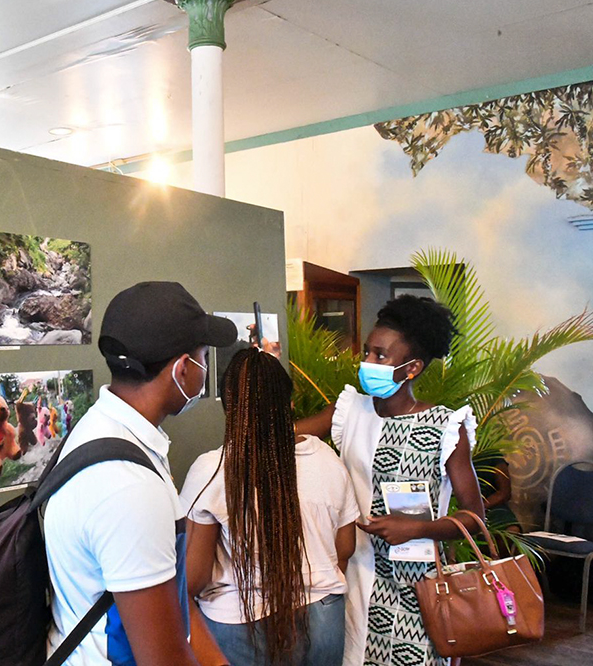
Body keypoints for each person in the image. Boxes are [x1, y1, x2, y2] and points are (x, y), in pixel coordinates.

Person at [43, 281, 237, 666]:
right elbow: (163, 658)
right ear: (184, 369)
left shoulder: (101, 432)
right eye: (203, 355)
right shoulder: (128, 486)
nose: (204, 365)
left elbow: (171, 603)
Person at [295, 295, 485, 666]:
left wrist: (417, 529)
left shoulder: (447, 427)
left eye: (380, 356)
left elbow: (475, 517)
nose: (367, 362)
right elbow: (288, 436)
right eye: (366, 352)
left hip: (422, 589)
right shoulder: (349, 412)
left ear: (412, 368)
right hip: (354, 577)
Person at [180, 347, 358, 666]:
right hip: (324, 618)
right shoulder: (329, 462)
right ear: (288, 403)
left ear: (230, 407)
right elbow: (346, 547)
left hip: (239, 620)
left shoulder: (211, 470)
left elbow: (195, 577)